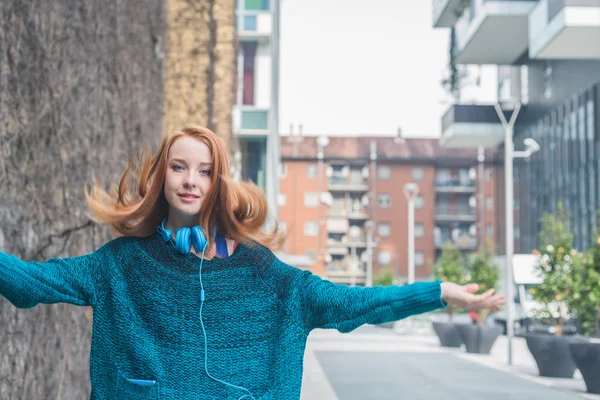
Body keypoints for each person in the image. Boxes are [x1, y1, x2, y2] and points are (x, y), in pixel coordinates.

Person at [0, 126, 505, 400]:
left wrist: (437, 293)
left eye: (205, 170)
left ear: (218, 182)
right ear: (163, 177)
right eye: (179, 167)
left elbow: (353, 303)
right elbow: (28, 283)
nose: (191, 180)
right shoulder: (118, 265)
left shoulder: (265, 274)